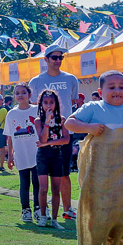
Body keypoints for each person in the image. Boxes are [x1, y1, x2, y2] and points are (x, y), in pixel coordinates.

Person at [29, 44, 80, 220]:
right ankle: (41, 211)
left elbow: (73, 103)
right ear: (46, 59)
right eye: (54, 57)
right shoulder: (35, 82)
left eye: (61, 57)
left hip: (65, 130)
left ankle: (67, 209)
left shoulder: (71, 79)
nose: (58, 60)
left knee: (65, 173)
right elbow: (33, 108)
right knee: (41, 176)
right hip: (43, 131)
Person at [4, 82, 41, 223]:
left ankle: (39, 208)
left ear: (29, 95)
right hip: (21, 153)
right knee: (24, 182)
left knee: (38, 182)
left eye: (23, 93)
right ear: (14, 96)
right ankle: (26, 210)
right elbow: (10, 137)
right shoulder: (11, 114)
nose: (20, 95)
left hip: (37, 153)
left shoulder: (37, 110)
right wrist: (10, 156)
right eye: (17, 93)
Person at [33, 89, 69, 229]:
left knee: (56, 189)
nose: (48, 105)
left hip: (56, 155)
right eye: (45, 102)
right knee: (43, 188)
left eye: (51, 102)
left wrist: (48, 143)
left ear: (56, 103)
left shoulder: (62, 119)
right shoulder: (38, 120)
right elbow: (41, 137)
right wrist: (47, 121)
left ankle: (54, 219)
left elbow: (65, 140)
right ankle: (43, 216)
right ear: (41, 104)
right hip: (43, 155)